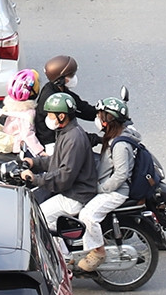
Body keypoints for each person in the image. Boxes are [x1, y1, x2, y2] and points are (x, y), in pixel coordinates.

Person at [68, 96, 140, 271]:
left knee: (87, 215)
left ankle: (98, 252)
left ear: (109, 120)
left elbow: (121, 175)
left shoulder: (120, 144)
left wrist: (100, 189)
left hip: (116, 192)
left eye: (100, 115)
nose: (98, 119)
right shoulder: (113, 136)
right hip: (107, 185)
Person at [24, 91, 100, 233]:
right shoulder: (66, 132)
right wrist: (34, 162)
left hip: (75, 196)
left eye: (50, 115)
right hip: (70, 191)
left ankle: (61, 255)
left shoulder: (74, 139)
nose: (48, 118)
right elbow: (56, 160)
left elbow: (65, 175)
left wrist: (36, 179)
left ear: (61, 116)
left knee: (37, 218)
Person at [34, 55, 96, 145]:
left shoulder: (60, 89)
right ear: (60, 80)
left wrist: (101, 112)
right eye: (71, 75)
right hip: (53, 143)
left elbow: (81, 107)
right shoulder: (54, 100)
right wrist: (95, 139)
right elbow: (69, 131)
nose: (73, 78)